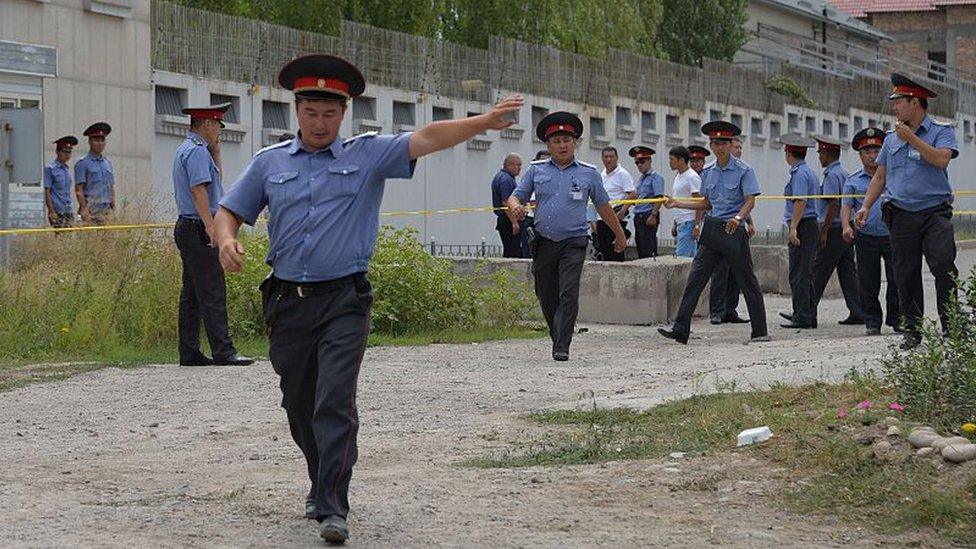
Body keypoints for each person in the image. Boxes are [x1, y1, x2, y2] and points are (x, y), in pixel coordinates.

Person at [215, 54, 524, 543]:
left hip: (344, 299)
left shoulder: (367, 155)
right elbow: (229, 211)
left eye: (330, 114)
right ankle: (320, 480)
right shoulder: (268, 163)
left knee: (333, 399)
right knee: (299, 403)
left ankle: (334, 504)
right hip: (287, 301)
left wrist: (484, 122)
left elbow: (428, 136)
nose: (321, 124)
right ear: (297, 111)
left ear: (344, 115)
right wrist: (227, 240)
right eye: (312, 113)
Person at [507, 112, 627, 361]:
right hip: (544, 241)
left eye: (567, 140)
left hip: (574, 240)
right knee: (546, 293)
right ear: (548, 146)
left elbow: (604, 206)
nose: (563, 145)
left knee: (569, 292)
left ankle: (562, 344)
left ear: (575, 143)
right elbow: (515, 196)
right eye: (557, 141)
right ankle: (557, 333)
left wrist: (619, 234)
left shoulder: (589, 173)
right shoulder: (535, 170)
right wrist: (515, 206)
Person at [855, 73, 959, 349]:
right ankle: (912, 330)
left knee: (943, 264)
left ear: (915, 102)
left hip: (934, 212)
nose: (894, 107)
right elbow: (880, 177)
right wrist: (866, 206)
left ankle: (951, 326)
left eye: (899, 101)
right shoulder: (891, 139)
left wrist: (911, 138)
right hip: (901, 214)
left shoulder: (941, 131)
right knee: (905, 273)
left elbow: (940, 160)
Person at [658, 121, 768, 344]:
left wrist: (738, 218)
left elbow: (750, 201)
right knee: (695, 280)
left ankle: (760, 331)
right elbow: (706, 203)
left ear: (730, 144)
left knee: (748, 282)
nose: (718, 148)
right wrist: (677, 203)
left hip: (733, 231)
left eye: (723, 143)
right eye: (714, 143)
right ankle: (681, 329)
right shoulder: (707, 171)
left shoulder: (744, 170)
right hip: (713, 231)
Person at [172, 103, 254, 369]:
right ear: (208, 124)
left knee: (193, 293)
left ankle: (190, 350)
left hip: (188, 226)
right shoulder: (196, 153)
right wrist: (212, 227)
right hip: (198, 227)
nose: (219, 131)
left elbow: (215, 184)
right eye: (218, 125)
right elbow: (199, 191)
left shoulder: (191, 150)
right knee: (213, 290)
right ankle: (223, 350)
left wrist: (217, 152)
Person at [842, 128, 899, 336]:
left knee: (897, 279)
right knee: (868, 281)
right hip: (866, 236)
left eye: (876, 151)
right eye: (867, 152)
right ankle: (872, 321)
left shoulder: (893, 176)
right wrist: (847, 226)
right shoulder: (853, 180)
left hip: (893, 234)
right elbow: (846, 206)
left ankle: (897, 318)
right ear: (860, 155)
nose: (872, 156)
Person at [811, 135, 863, 325]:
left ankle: (807, 311)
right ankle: (857, 310)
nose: (819, 157)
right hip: (845, 227)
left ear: (827, 154)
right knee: (847, 271)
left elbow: (833, 204)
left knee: (818, 271)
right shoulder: (843, 172)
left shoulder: (832, 175)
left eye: (821, 153)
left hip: (833, 229)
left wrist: (824, 230)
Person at [708, 135, 752, 324]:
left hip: (736, 226)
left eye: (740, 148)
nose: (738, 151)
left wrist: (747, 221)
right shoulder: (711, 171)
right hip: (718, 228)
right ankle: (716, 311)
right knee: (719, 271)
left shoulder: (743, 171)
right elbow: (708, 202)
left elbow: (744, 201)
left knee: (737, 273)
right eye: (736, 147)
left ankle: (730, 310)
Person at [779, 134, 820, 329]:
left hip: (804, 225)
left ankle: (802, 316)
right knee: (804, 272)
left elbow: (800, 202)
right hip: (808, 224)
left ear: (788, 153)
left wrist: (793, 228)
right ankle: (806, 314)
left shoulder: (800, 174)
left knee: (799, 274)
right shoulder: (807, 171)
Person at [596, 146, 636, 261]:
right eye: (606, 157)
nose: (608, 160)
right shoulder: (602, 174)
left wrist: (623, 211)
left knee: (616, 252)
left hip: (616, 217)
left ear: (617, 158)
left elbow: (632, 194)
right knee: (603, 252)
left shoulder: (623, 174)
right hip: (602, 219)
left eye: (611, 157)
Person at [74, 122, 115, 225]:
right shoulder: (83, 163)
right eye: (96, 140)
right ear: (90, 142)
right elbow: (79, 190)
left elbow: (111, 187)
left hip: (107, 211)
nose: (100, 143)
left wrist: (114, 208)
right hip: (91, 211)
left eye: (102, 140)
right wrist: (84, 210)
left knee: (108, 241)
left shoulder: (107, 163)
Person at [629, 145, 664, 258]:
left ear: (649, 161)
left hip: (648, 214)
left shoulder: (655, 177)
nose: (639, 165)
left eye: (642, 161)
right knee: (640, 247)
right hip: (639, 215)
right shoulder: (641, 179)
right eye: (637, 162)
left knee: (648, 248)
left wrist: (653, 215)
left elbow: (659, 198)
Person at [667, 146, 701, 258]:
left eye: (672, 159)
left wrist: (696, 225)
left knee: (681, 259)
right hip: (681, 222)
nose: (670, 162)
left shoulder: (691, 177)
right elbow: (679, 199)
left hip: (689, 222)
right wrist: (675, 223)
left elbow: (699, 203)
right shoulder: (678, 176)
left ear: (681, 160)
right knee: (691, 260)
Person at [490, 153, 524, 258]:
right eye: (517, 165)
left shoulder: (502, 177)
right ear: (509, 165)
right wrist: (514, 222)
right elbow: (506, 203)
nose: (519, 168)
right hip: (508, 219)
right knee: (513, 251)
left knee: (510, 249)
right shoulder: (506, 179)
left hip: (505, 218)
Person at [43, 136, 77, 228]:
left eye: (69, 152)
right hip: (57, 210)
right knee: (59, 237)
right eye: (64, 151)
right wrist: (51, 211)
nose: (67, 154)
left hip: (68, 209)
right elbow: (47, 191)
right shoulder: (50, 169)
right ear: (57, 152)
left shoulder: (66, 169)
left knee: (68, 238)